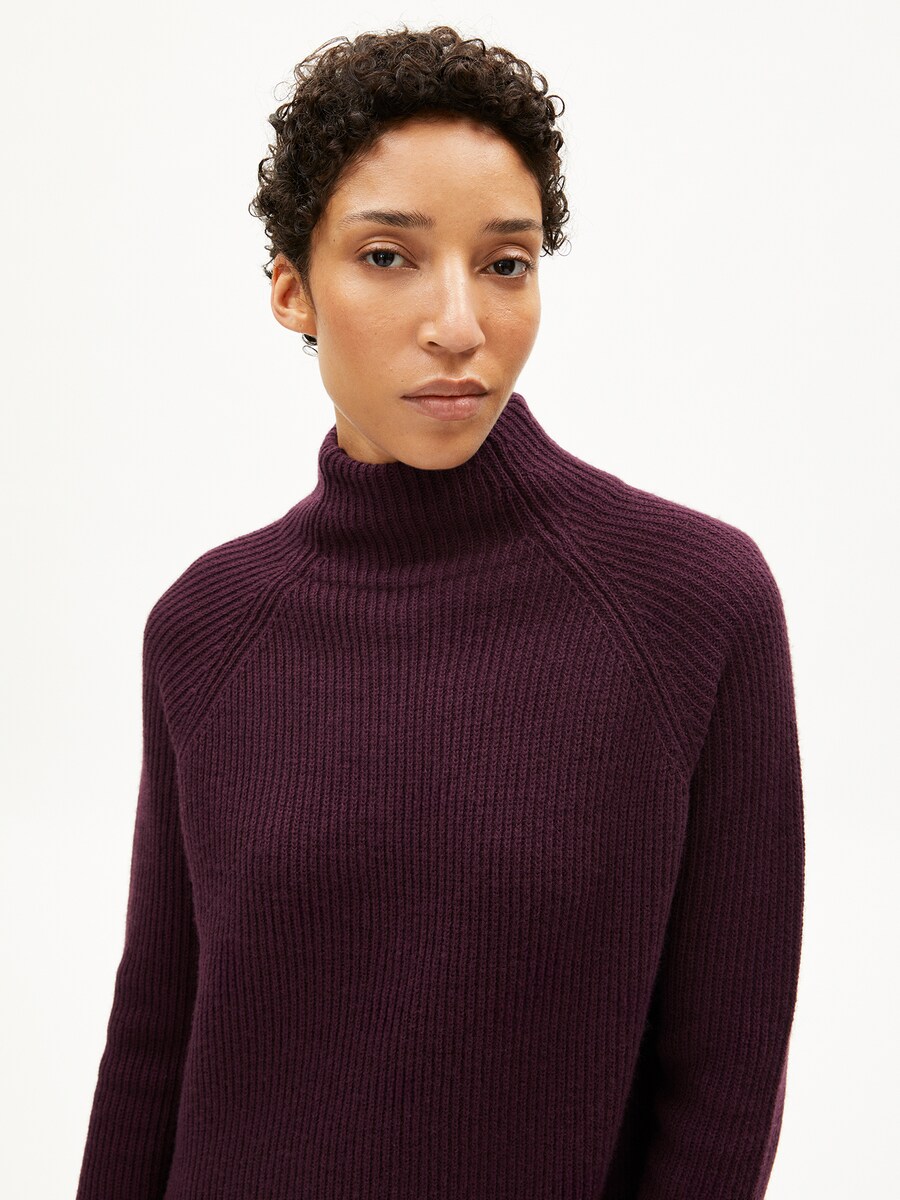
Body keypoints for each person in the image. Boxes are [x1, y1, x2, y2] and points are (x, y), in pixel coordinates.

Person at [75, 25, 805, 1199]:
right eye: (388, 257)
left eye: (505, 264)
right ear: (291, 290)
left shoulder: (692, 607)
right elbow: (153, 1046)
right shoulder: (206, 629)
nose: (459, 323)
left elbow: (722, 1087)